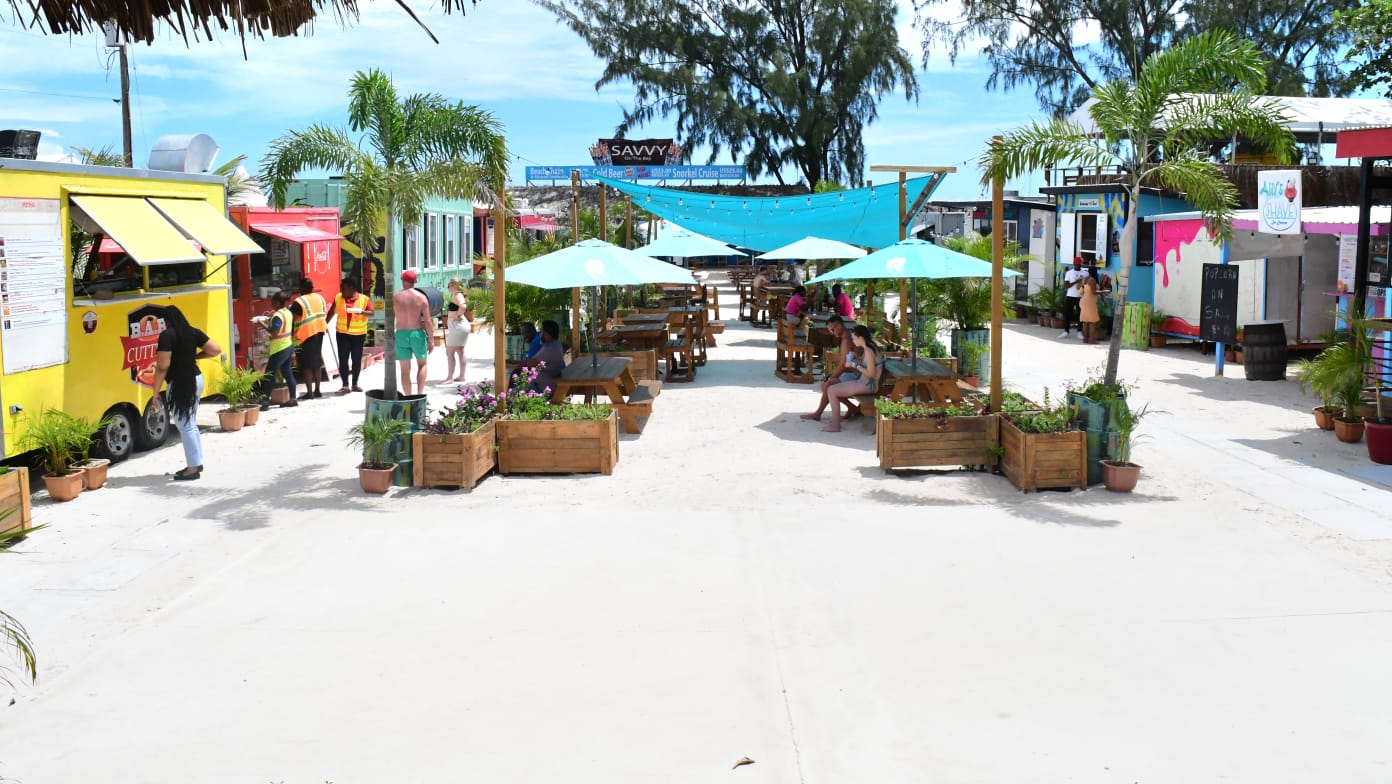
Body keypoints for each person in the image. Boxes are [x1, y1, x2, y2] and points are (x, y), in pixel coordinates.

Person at [149, 305, 221, 481]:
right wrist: (195, 357)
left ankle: (193, 468)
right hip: (196, 380)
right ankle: (196, 462)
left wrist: (155, 392)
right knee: (190, 422)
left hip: (181, 383)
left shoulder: (167, 336)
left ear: (166, 321)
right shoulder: (192, 332)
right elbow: (216, 350)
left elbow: (163, 366)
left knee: (184, 424)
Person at [800, 315, 860, 422]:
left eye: (833, 329)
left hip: (857, 375)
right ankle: (852, 408)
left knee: (828, 385)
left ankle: (818, 414)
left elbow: (843, 364)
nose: (833, 333)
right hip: (854, 371)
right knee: (827, 384)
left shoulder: (846, 340)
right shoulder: (849, 335)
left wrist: (832, 377)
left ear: (839, 326)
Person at [823, 325, 881, 433]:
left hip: (867, 385)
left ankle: (835, 425)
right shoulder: (869, 347)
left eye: (854, 338)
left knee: (831, 390)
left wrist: (854, 364)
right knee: (833, 388)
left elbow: (871, 373)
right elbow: (868, 365)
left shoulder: (868, 351)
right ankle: (836, 421)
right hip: (865, 383)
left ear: (861, 338)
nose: (853, 341)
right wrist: (857, 358)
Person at [394, 269, 435, 396]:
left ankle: (408, 397)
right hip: (417, 333)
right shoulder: (421, 298)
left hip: (401, 333)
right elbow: (428, 321)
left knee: (405, 371)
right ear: (414, 281)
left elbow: (389, 318)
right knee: (422, 365)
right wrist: (431, 339)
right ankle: (420, 394)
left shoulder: (395, 297)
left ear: (403, 281)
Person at [328, 277, 372, 393]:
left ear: (352, 288)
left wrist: (361, 312)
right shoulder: (338, 297)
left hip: (358, 335)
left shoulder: (364, 299)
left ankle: (355, 384)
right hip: (342, 334)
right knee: (343, 359)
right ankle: (345, 385)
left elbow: (371, 313)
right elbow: (331, 312)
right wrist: (324, 324)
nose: (342, 290)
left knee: (356, 359)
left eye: (344, 288)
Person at [257, 292, 297, 410]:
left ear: (279, 303)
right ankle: (293, 398)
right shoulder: (288, 313)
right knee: (288, 373)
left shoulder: (278, 315)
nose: (272, 305)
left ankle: (264, 401)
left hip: (279, 349)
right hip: (288, 346)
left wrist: (261, 324)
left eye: (273, 303)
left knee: (269, 374)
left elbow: (274, 332)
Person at [290, 278, 329, 398]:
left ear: (301, 288)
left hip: (305, 335)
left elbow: (291, 317)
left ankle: (310, 392)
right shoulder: (320, 298)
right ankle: (317, 390)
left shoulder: (299, 301)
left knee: (306, 365)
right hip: (319, 332)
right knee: (316, 362)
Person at [508, 319, 565, 393]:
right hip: (543, 383)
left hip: (541, 388)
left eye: (541, 331)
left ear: (547, 333)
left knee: (510, 393)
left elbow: (529, 364)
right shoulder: (555, 345)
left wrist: (508, 365)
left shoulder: (550, 349)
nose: (540, 333)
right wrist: (512, 362)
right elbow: (530, 361)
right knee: (517, 373)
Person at [444, 277, 473, 383]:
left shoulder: (458, 295)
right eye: (449, 285)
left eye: (452, 284)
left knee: (449, 351)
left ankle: (450, 378)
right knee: (460, 351)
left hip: (458, 326)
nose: (449, 287)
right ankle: (461, 376)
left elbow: (463, 306)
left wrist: (458, 315)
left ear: (458, 286)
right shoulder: (457, 295)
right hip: (459, 326)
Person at [1060, 257, 1088, 340]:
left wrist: (1082, 283)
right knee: (1067, 314)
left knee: (1080, 314)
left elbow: (1087, 285)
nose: (1077, 265)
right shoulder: (1069, 273)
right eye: (1076, 264)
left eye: (1079, 264)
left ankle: (1079, 331)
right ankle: (1066, 331)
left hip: (1080, 297)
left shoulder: (1085, 273)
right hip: (1070, 296)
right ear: (1073, 263)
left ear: (1081, 264)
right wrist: (1077, 281)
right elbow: (1066, 286)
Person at [1079, 275, 1101, 344]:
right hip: (1090, 302)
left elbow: (1080, 291)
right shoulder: (1092, 280)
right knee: (1092, 322)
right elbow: (1093, 292)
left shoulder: (1084, 279)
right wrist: (1104, 291)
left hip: (1084, 301)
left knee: (1085, 322)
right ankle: (1091, 340)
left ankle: (1085, 339)